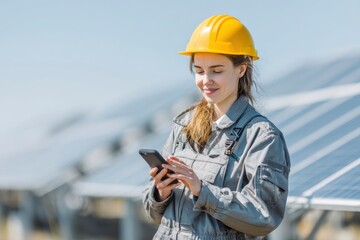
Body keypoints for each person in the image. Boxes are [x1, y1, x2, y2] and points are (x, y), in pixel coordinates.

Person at [142, 14, 291, 240]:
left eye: (216, 70)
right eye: (199, 70)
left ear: (242, 69)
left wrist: (201, 190)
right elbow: (155, 214)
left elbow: (264, 216)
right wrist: (160, 192)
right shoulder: (184, 125)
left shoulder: (261, 136)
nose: (205, 80)